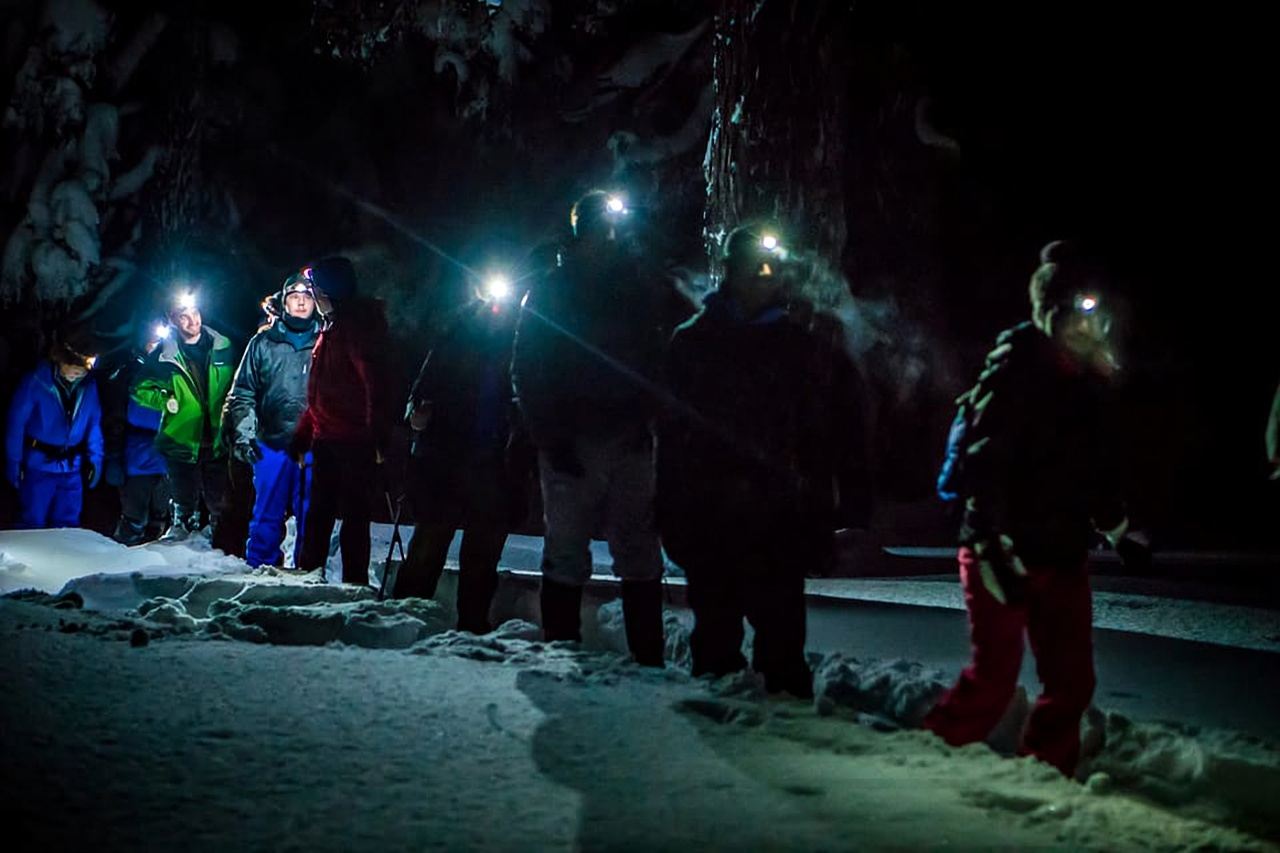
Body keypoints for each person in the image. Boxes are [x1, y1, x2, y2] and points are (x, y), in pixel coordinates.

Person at [923, 240, 1134, 777]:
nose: (1085, 330)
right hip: (1004, 550)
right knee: (993, 678)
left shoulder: (1091, 386)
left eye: (1095, 319)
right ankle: (924, 764)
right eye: (1073, 318)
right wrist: (993, 545)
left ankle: (1043, 775)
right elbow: (982, 465)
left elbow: (1097, 471)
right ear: (1049, 316)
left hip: (1060, 551)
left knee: (1072, 682)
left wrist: (1119, 529)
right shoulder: (1015, 373)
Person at [657, 225, 871, 696]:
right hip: (710, 513)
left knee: (782, 645)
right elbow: (672, 436)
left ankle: (787, 742)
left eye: (771, 269)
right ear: (730, 271)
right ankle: (718, 735)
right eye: (754, 267)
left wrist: (830, 514)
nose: (764, 277)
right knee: (716, 640)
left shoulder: (801, 347)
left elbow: (825, 435)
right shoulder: (693, 344)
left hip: (779, 517)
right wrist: (671, 515)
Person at [511, 190, 667, 665]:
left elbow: (655, 359)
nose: (609, 233)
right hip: (572, 438)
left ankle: (648, 655)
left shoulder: (635, 288)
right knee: (567, 547)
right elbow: (529, 367)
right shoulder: (553, 290)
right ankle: (562, 649)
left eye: (613, 225)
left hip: (626, 435)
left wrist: (647, 419)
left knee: (638, 549)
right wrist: (550, 437)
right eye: (601, 224)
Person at [394, 280, 532, 633]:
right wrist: (418, 416)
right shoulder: (454, 336)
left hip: (494, 460)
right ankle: (405, 618)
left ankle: (472, 624)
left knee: (482, 553)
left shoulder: (525, 339)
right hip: (449, 456)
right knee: (430, 542)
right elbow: (422, 392)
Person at [292, 257, 393, 585]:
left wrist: (377, 435)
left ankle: (354, 583)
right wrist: (304, 433)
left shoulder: (355, 330)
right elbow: (321, 392)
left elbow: (375, 384)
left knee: (354, 515)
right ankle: (309, 574)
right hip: (327, 438)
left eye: (315, 290)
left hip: (353, 440)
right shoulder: (331, 328)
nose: (312, 296)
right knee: (319, 513)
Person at [224, 272, 322, 567]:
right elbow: (242, 392)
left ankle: (308, 571)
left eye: (307, 297)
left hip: (314, 447)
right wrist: (243, 434)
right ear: (284, 303)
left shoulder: (326, 340)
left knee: (312, 515)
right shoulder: (263, 342)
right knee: (266, 513)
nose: (301, 302)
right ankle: (260, 571)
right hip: (272, 443)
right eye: (294, 297)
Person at [132, 291, 237, 541]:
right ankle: (182, 550)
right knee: (184, 502)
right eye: (184, 316)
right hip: (181, 439)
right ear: (173, 320)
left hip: (218, 439)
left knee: (219, 502)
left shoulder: (223, 346)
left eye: (195, 312)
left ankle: (219, 547)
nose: (192, 320)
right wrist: (165, 400)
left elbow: (239, 384)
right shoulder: (163, 355)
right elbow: (138, 388)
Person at [4, 330, 104, 529]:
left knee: (68, 523)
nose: (78, 373)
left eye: (83, 370)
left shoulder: (88, 387)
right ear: (60, 359)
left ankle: (64, 558)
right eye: (74, 367)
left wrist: (96, 458)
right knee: (32, 522)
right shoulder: (36, 382)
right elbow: (16, 424)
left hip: (72, 467)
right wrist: (14, 462)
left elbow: (94, 424)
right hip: (38, 466)